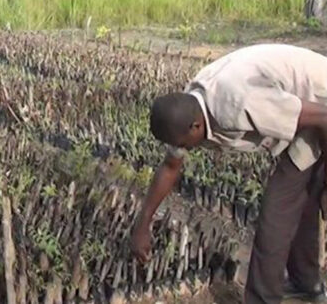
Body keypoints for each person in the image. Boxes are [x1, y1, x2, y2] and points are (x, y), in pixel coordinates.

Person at [131, 44, 327, 304]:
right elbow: (170, 166)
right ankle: (306, 285)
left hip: (321, 107)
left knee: (276, 215)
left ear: (196, 126)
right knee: (300, 200)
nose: (182, 149)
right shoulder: (190, 105)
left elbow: (324, 117)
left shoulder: (237, 104)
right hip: (309, 113)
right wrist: (142, 224)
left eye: (183, 143)